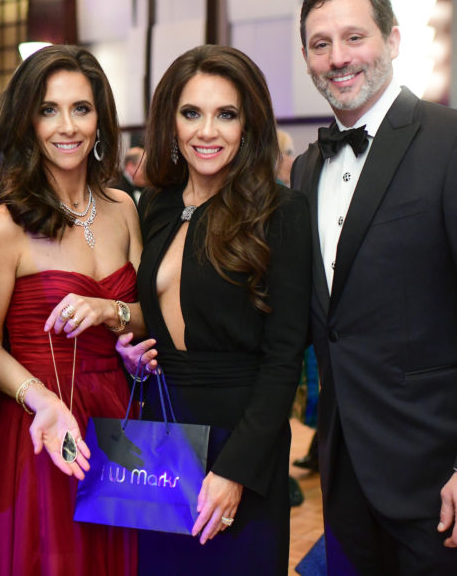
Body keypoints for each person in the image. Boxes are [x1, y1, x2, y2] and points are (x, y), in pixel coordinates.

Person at [291, 0, 457, 574]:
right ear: (306, 58)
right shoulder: (305, 168)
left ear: (394, 41)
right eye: (320, 44)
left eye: (354, 37)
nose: (338, 57)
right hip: (345, 472)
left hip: (443, 473)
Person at [123, 44, 311, 572]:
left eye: (226, 114)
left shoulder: (281, 212)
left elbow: (284, 359)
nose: (207, 131)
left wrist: (236, 471)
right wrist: (133, 355)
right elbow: (154, 312)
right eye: (192, 113)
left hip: (242, 438)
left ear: (249, 124)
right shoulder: (155, 204)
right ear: (171, 122)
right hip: (163, 432)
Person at [0, 45, 144, 575]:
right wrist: (40, 397)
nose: (67, 126)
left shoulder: (123, 208)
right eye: (48, 110)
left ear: (100, 119)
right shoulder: (5, 224)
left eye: (81, 108)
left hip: (118, 418)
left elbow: (147, 315)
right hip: (40, 421)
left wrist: (111, 312)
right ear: (28, 121)